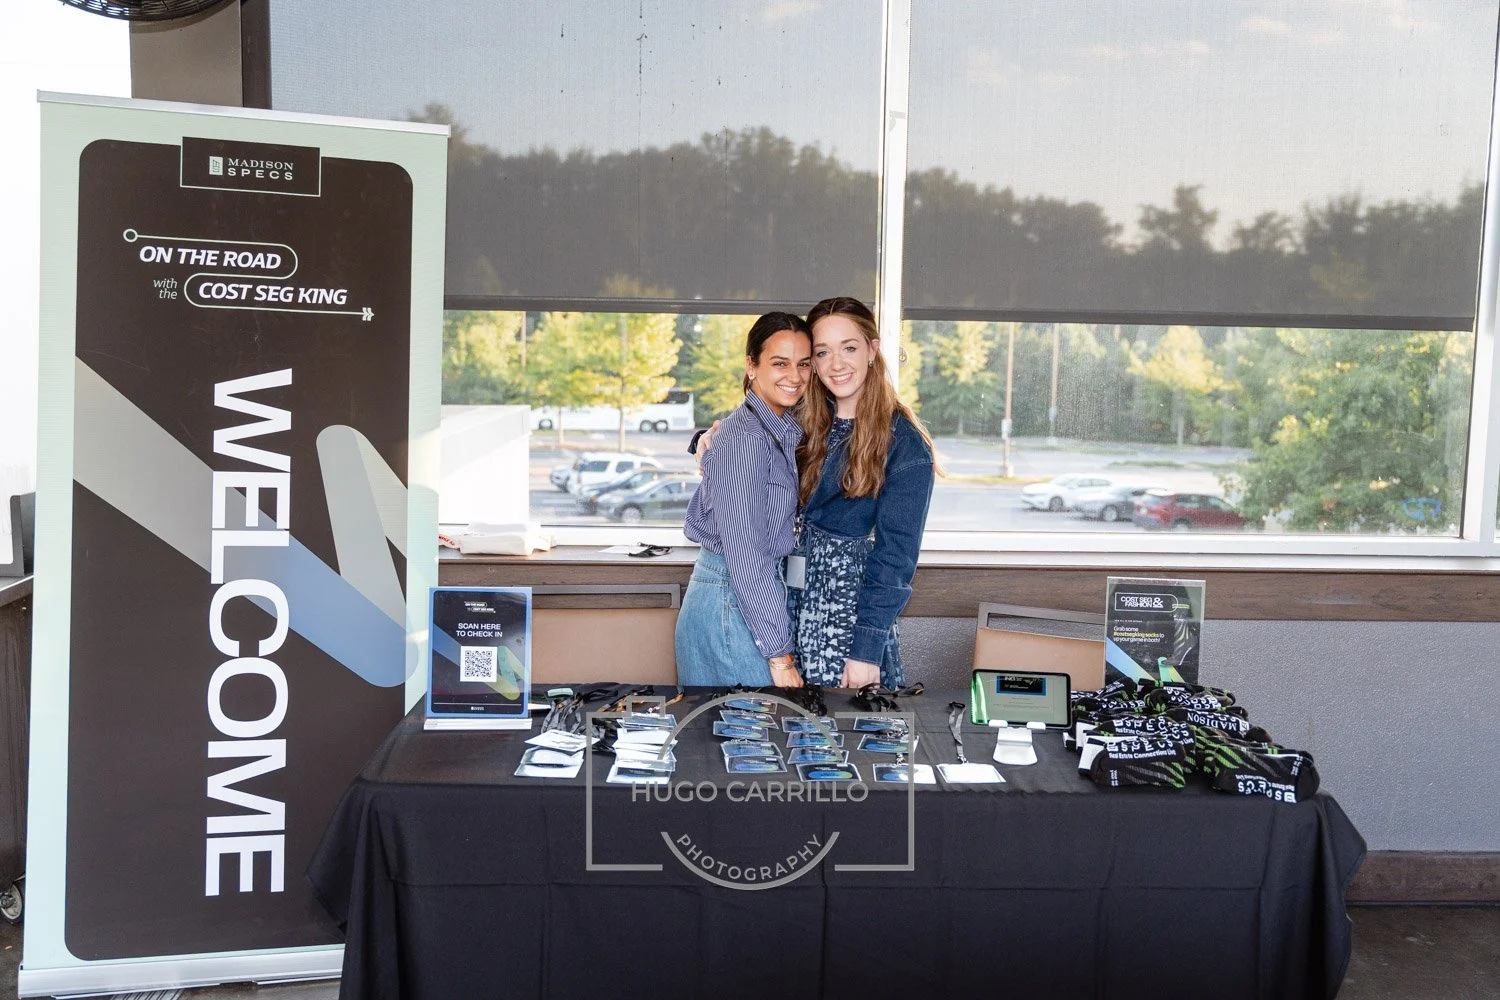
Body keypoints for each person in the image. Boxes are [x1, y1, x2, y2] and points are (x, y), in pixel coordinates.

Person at [792, 296, 936, 689]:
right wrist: (708, 438)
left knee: (837, 740)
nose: (836, 364)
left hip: (844, 616)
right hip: (785, 606)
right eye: (823, 352)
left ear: (872, 349)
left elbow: (896, 556)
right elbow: (748, 436)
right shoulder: (801, 422)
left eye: (849, 348)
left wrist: (865, 650)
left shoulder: (904, 445)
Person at [675, 312, 812, 688]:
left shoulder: (775, 428)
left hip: (742, 600)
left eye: (803, 364)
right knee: (753, 739)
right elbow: (747, 556)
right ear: (751, 366)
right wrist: (780, 656)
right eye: (780, 363)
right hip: (731, 602)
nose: (795, 376)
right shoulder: (747, 439)